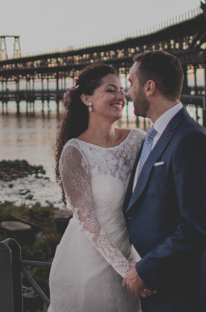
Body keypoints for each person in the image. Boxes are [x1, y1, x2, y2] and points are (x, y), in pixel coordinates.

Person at [122, 50, 206, 311]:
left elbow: (197, 226)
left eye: (131, 83)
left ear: (149, 87)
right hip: (157, 289)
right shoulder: (153, 135)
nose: (128, 91)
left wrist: (146, 269)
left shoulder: (189, 139)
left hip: (182, 293)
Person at [48, 63, 145, 312]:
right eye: (111, 90)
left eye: (122, 91)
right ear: (86, 99)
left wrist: (142, 266)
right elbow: (87, 222)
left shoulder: (138, 140)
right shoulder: (75, 152)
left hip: (131, 263)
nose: (120, 97)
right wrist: (127, 271)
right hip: (86, 268)